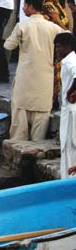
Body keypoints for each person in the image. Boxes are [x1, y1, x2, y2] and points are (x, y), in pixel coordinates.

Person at [4, 0, 64, 141]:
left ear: (31, 7)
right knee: (40, 126)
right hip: (44, 84)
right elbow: (68, 37)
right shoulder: (53, 28)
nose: (23, 8)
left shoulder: (22, 26)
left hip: (25, 83)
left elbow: (8, 45)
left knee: (19, 129)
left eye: (24, 5)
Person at [54, 32, 76, 179]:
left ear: (67, 46)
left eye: (58, 47)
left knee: (68, 146)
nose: (56, 50)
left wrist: (71, 90)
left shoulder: (70, 61)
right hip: (68, 109)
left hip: (70, 111)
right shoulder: (69, 60)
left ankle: (68, 180)